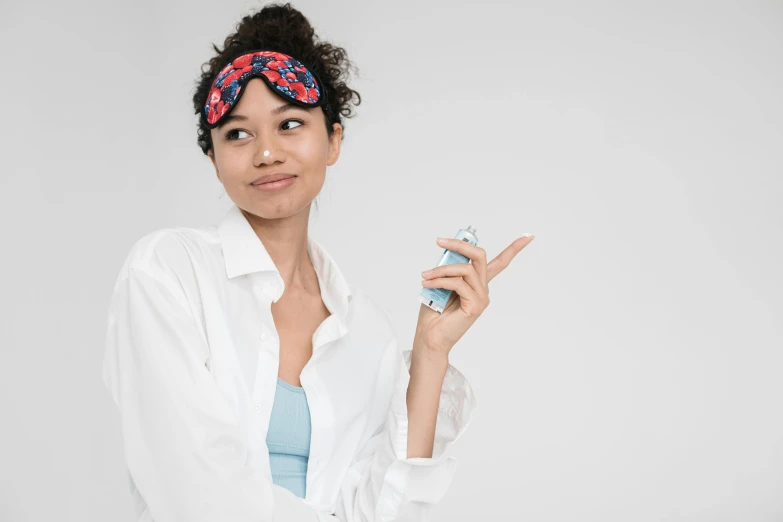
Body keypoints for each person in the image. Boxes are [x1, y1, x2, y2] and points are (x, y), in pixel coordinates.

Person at [101, 3, 534, 521]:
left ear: (333, 140)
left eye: (289, 124)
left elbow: (383, 510)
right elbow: (196, 491)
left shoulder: (364, 329)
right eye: (238, 134)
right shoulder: (170, 272)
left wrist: (430, 351)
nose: (266, 153)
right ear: (212, 159)